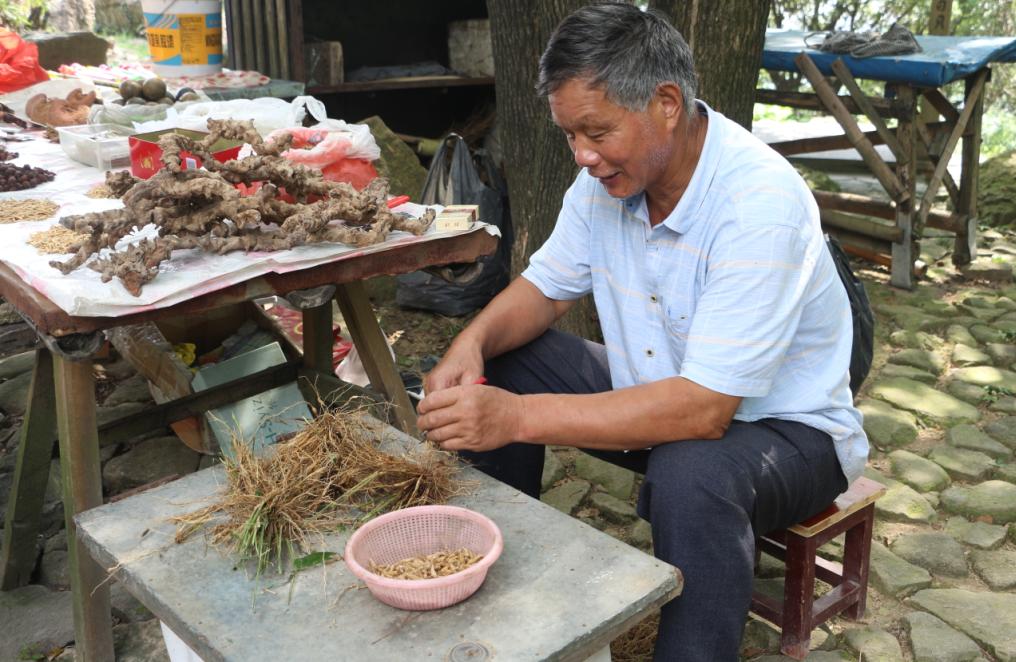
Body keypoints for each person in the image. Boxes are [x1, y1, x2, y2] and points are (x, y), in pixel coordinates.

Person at [417, 4, 868, 660]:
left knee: (692, 471)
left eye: (595, 132)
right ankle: (488, 574)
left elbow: (705, 411)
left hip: (790, 433)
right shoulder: (605, 184)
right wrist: (472, 345)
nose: (583, 156)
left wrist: (513, 418)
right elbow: (545, 289)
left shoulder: (758, 206)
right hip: (661, 393)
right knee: (509, 356)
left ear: (665, 103)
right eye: (570, 135)